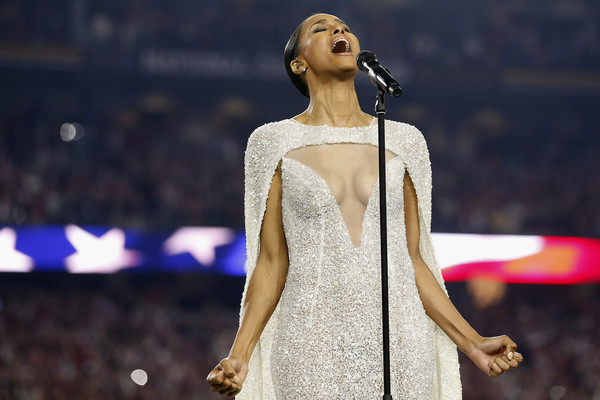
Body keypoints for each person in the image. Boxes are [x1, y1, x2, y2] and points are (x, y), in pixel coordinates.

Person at [207, 13, 523, 399]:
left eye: (344, 27)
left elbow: (415, 259)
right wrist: (241, 354)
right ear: (298, 63)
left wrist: (472, 343)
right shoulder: (271, 142)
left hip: (401, 341)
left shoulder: (404, 141)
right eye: (321, 29)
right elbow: (271, 263)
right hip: (309, 341)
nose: (340, 31)